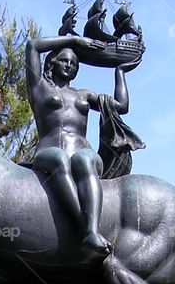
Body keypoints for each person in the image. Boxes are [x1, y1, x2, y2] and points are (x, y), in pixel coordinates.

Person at [25, 35, 138, 256]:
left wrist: (120, 72)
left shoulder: (83, 94)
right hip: (48, 153)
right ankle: (85, 228)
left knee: (85, 159)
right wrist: (75, 40)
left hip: (81, 151)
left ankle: (91, 230)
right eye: (65, 60)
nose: (70, 65)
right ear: (52, 62)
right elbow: (33, 45)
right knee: (58, 158)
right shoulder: (39, 88)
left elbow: (121, 106)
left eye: (74, 64)